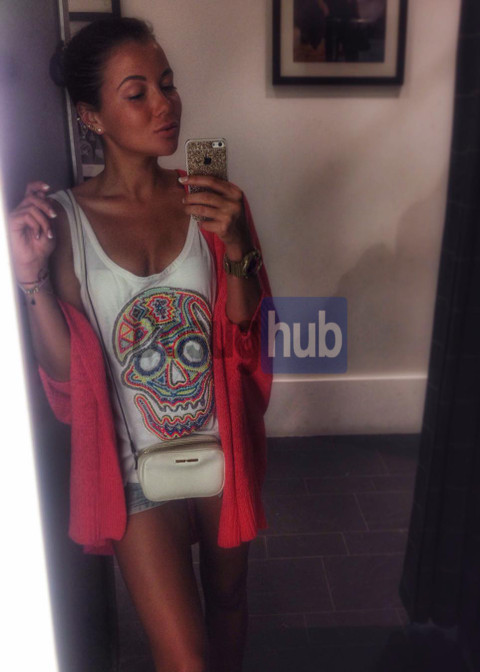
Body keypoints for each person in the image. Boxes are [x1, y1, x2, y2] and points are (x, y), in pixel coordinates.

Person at [7, 17, 271, 672]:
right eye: (138, 92)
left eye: (167, 83)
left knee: (230, 601)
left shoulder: (209, 199)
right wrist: (30, 277)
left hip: (222, 444)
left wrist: (237, 244)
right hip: (131, 463)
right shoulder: (65, 220)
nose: (165, 104)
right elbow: (68, 381)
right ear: (91, 116)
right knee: (184, 656)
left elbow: (243, 337)